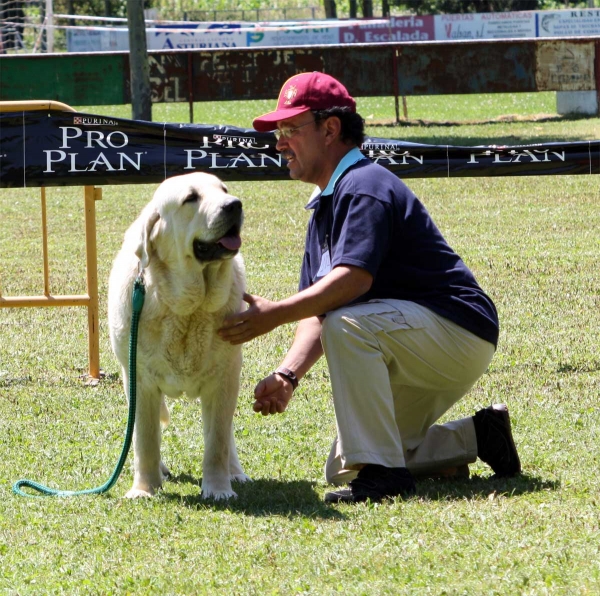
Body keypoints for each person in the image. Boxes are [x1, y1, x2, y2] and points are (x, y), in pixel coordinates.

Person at [218, 72, 521, 504]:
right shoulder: (326, 204)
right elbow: (318, 312)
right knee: (344, 464)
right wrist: (288, 375)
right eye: (278, 133)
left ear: (330, 129)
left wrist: (274, 313)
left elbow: (353, 282)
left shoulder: (364, 185)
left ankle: (386, 478)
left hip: (458, 330)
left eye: (290, 130)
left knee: (349, 326)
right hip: (411, 336)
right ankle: (479, 437)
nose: (280, 143)